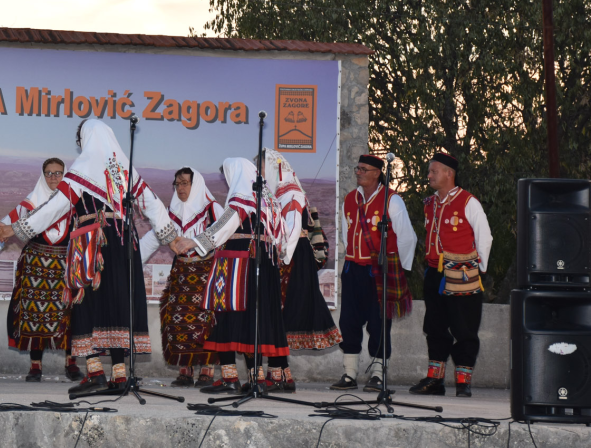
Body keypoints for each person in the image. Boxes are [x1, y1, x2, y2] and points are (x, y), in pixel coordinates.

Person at [0, 119, 176, 398]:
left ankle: (94, 373)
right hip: (125, 241)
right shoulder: (124, 169)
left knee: (84, 305)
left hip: (93, 242)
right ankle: (119, 375)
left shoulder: (83, 167)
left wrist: (15, 229)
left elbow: (57, 206)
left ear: (85, 140)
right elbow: (151, 203)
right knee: (118, 304)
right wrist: (171, 236)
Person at [172, 157, 289, 395]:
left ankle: (229, 378)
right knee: (255, 322)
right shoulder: (269, 201)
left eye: (227, 175)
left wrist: (194, 241)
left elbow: (224, 225)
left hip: (238, 265)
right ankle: (258, 378)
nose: (227, 180)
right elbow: (282, 236)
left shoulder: (241, 197)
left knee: (224, 318)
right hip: (264, 265)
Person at [0, 157, 83, 382]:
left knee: (69, 314)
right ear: (42, 175)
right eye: (49, 173)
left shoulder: (75, 204)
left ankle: (71, 362)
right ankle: (35, 365)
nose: (54, 177)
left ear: (64, 176)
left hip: (66, 268)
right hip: (35, 267)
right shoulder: (29, 204)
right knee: (35, 314)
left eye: (58, 173)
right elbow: (1, 229)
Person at [331, 154, 417, 392]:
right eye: (357, 168)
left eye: (363, 169)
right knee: (348, 321)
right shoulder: (349, 199)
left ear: (378, 173)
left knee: (379, 322)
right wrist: (352, 257)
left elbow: (407, 237)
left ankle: (378, 374)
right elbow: (345, 234)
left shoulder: (393, 200)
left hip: (380, 270)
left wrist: (398, 269)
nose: (358, 172)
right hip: (352, 268)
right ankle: (349, 374)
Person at [409, 151, 492, 397]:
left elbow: (484, 237)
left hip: (463, 272)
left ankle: (463, 382)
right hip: (435, 272)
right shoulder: (430, 203)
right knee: (434, 326)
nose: (429, 175)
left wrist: (478, 270)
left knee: (464, 327)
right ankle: (435, 380)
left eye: (433, 171)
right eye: (429, 171)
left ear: (449, 173)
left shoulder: (468, 202)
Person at [265, 150, 342, 393]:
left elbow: (291, 229)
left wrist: (281, 256)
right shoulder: (283, 193)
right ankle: (282, 374)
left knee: (280, 315)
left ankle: (279, 375)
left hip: (291, 258)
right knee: (278, 315)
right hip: (291, 258)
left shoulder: (291, 194)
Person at [140, 167, 222, 388]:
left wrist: (198, 243)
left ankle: (207, 370)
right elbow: (156, 235)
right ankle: (186, 370)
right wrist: (133, 260)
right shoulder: (171, 211)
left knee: (205, 322)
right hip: (181, 273)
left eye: (185, 183)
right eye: (177, 184)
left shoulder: (211, 208)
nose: (181, 188)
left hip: (206, 272)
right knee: (179, 321)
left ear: (195, 185)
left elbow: (224, 234)